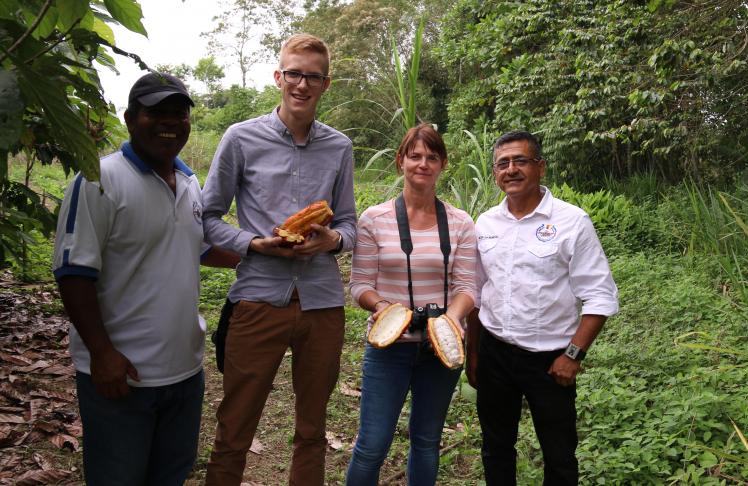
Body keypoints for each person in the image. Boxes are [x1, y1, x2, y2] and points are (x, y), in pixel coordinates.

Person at [52, 72, 239, 485]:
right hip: (123, 376)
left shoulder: (190, 182)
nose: (169, 123)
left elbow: (198, 247)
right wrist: (102, 354)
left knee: (171, 475)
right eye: (156, 113)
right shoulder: (98, 181)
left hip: (185, 372)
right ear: (130, 119)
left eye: (179, 114)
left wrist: (259, 254)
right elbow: (73, 273)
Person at [201, 33, 357, 486]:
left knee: (312, 429)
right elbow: (207, 216)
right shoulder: (241, 137)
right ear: (279, 76)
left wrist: (330, 240)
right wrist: (251, 243)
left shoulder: (339, 147)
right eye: (294, 74)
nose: (302, 85)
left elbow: (348, 224)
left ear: (326, 84)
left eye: (312, 76)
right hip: (257, 299)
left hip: (322, 304)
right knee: (235, 424)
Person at [466, 130, 619, 485]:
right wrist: (474, 352)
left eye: (521, 161)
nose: (511, 170)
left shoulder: (571, 222)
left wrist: (573, 355)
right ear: (494, 174)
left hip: (550, 360)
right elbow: (475, 292)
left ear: (541, 167)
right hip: (494, 354)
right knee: (496, 446)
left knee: (559, 452)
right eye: (503, 163)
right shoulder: (486, 224)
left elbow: (599, 294)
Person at [345, 124, 477, 485]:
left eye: (432, 157)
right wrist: (388, 309)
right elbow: (360, 285)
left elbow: (467, 286)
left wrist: (450, 320)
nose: (423, 164)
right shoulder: (374, 219)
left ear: (443, 164)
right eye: (415, 156)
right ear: (400, 161)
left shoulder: (460, 222)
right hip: (389, 347)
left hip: (442, 351)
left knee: (426, 442)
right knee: (372, 444)